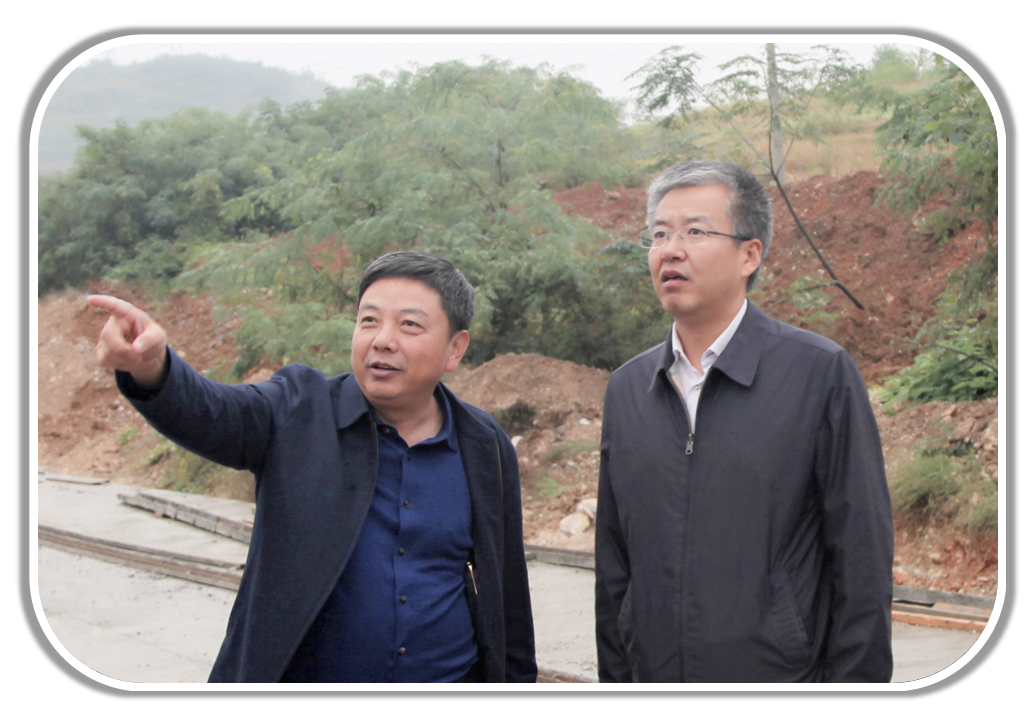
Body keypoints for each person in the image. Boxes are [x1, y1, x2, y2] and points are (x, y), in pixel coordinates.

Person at [90, 251, 537, 683]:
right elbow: (213, 412)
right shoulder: (297, 410)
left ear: (455, 348)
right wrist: (155, 369)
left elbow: (508, 593)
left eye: (409, 325)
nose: (382, 339)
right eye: (369, 320)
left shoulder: (484, 445)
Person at [594, 160, 894, 683]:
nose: (671, 250)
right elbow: (614, 565)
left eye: (695, 231)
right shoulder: (627, 389)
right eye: (659, 234)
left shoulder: (817, 373)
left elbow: (861, 558)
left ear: (749, 254)